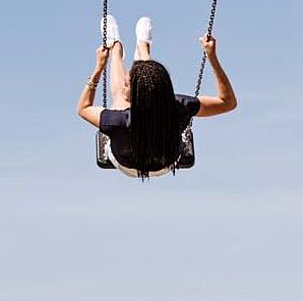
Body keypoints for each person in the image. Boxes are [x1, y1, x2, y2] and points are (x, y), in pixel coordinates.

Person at [76, 15, 237, 178]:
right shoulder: (179, 106)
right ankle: (143, 47)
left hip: (127, 165)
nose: (124, 82)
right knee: (150, 81)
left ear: (136, 95)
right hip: (166, 162)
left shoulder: (118, 122)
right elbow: (227, 102)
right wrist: (213, 57)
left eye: (127, 84)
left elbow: (83, 108)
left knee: (119, 97)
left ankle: (115, 47)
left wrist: (98, 68)